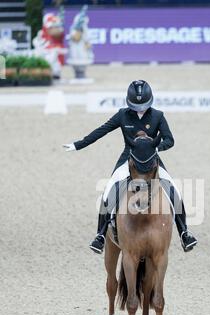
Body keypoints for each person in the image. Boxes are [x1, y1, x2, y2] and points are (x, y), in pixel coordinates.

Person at [63, 80, 198, 254]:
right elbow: (101, 130)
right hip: (129, 158)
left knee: (174, 190)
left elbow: (169, 140)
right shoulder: (123, 115)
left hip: (151, 160)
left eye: (143, 106)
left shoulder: (158, 116)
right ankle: (100, 235)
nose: (140, 109)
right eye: (136, 106)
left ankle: (184, 233)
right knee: (110, 190)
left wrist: (156, 148)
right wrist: (78, 144)